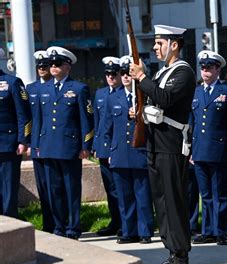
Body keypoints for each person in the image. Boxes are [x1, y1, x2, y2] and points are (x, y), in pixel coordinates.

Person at [129, 25, 196, 264]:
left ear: (174, 44)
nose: (155, 48)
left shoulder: (183, 72)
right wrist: (139, 111)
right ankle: (172, 251)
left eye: (159, 43)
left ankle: (181, 258)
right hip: (156, 143)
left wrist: (141, 78)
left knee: (173, 201)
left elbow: (166, 99)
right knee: (162, 202)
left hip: (171, 145)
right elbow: (154, 101)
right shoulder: (163, 72)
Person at [35, 46, 94, 239]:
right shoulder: (43, 89)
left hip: (69, 147)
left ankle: (73, 227)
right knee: (54, 190)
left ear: (67, 66)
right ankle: (58, 226)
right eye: (51, 64)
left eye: (57, 64)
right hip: (48, 146)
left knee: (71, 189)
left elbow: (86, 119)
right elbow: (38, 120)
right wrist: (36, 144)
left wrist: (86, 146)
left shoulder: (78, 89)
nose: (53, 67)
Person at [190, 50, 227, 246]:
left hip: (219, 151)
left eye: (209, 68)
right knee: (206, 195)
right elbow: (192, 124)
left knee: (220, 193)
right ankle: (207, 230)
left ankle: (220, 231)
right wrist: (191, 150)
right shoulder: (196, 92)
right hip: (200, 150)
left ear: (218, 69)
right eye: (203, 68)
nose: (205, 72)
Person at [104, 55, 154, 244]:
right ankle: (128, 231)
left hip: (139, 152)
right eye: (122, 73)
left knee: (142, 195)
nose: (125, 76)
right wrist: (109, 151)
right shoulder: (113, 98)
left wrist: (142, 114)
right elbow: (107, 128)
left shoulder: (146, 96)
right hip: (119, 153)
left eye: (128, 73)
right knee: (124, 197)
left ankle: (145, 231)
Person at [0, 48, 32, 218]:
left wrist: (23, 140)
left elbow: (23, 114)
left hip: (7, 144)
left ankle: (10, 221)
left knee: (8, 187)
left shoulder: (12, 82)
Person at [93, 56, 122, 237]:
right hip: (103, 147)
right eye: (108, 74)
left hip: (119, 148)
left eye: (114, 74)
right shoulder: (101, 94)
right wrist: (96, 145)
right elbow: (97, 122)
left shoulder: (125, 93)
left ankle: (125, 222)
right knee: (110, 189)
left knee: (121, 189)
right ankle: (115, 221)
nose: (110, 77)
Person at [26, 50, 54, 232]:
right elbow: (27, 118)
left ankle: (61, 223)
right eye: (40, 66)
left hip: (53, 144)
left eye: (45, 66)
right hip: (36, 144)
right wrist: (28, 142)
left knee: (55, 187)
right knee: (43, 187)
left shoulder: (55, 87)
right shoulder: (31, 89)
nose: (42, 69)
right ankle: (48, 223)